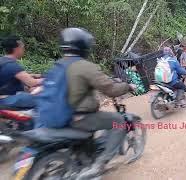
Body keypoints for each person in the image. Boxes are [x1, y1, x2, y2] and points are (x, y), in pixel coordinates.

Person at [35, 28, 136, 179]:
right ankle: (100, 164)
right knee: (119, 121)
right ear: (83, 46)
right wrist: (128, 86)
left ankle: (86, 156)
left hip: (51, 117)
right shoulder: (84, 66)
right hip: (78, 119)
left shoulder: (58, 66)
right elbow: (111, 89)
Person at [0, 36, 42, 109]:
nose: (24, 49)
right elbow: (32, 82)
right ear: (17, 48)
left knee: (32, 91)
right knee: (45, 98)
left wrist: (35, 75)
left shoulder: (3, 60)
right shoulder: (11, 65)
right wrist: (50, 79)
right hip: (6, 100)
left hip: (7, 96)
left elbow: (14, 76)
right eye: (23, 47)